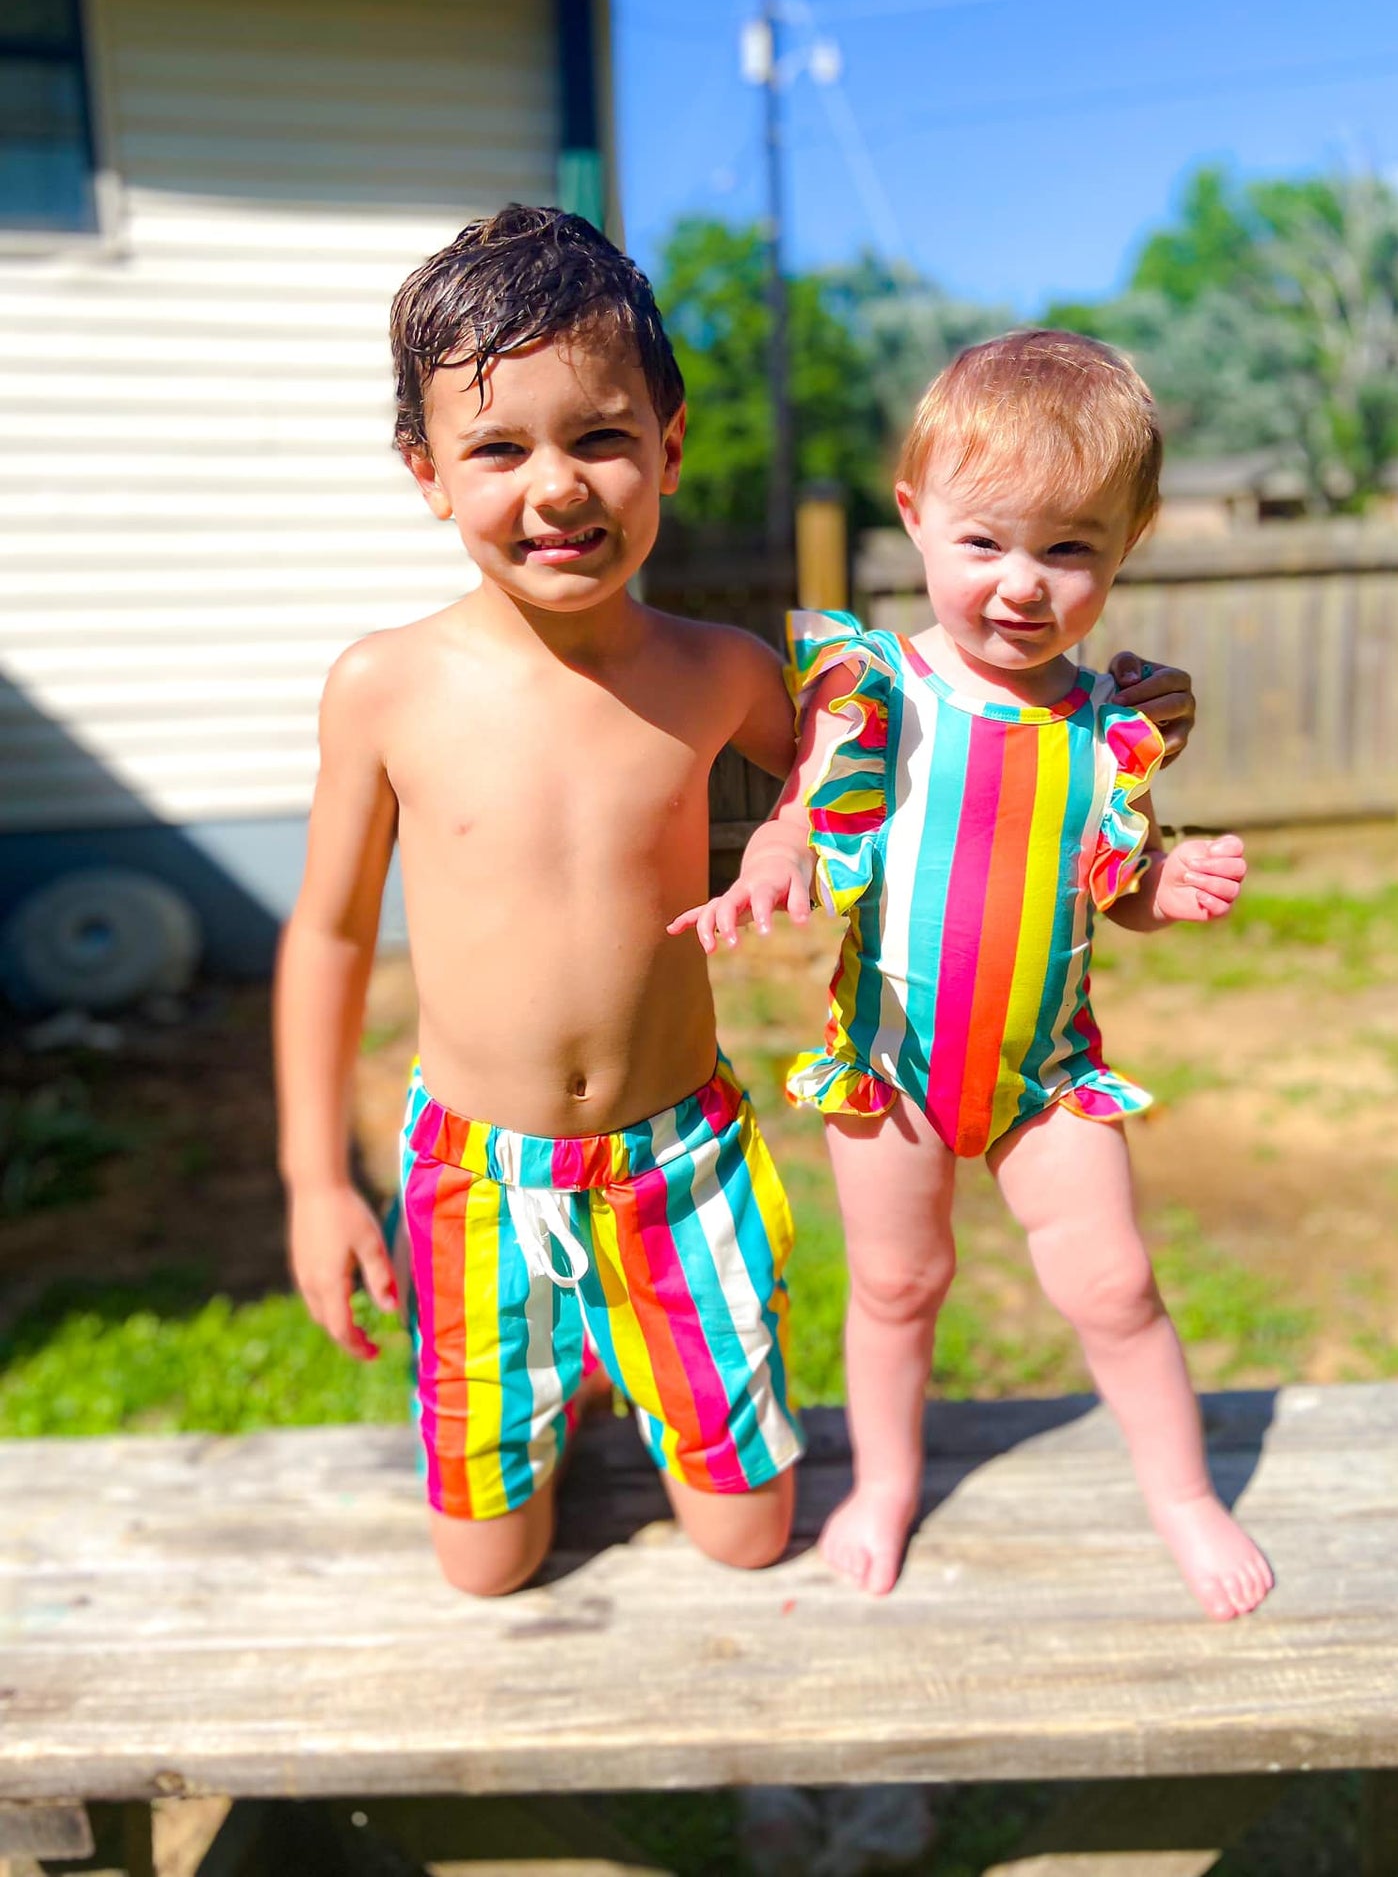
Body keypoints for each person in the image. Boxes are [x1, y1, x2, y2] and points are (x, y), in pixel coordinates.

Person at [275, 211, 1198, 1598]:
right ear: (425, 473)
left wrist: (1089, 700)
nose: (556, 488)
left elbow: (924, 762)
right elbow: (332, 932)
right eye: (496, 448)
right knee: (484, 1571)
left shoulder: (722, 675)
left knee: (746, 1539)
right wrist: (308, 1180)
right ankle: (571, 1368)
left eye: (597, 438)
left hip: (676, 1163)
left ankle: (634, 1360)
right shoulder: (383, 686)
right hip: (474, 1171)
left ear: (669, 446)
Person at [671, 331, 1272, 1622]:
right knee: (897, 1282)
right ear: (914, 519)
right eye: (984, 542)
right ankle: (884, 1483)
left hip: (1046, 1074)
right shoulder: (879, 691)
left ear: (1125, 545)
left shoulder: (1114, 723)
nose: (1020, 584)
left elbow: (1121, 882)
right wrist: (772, 864)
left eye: (1068, 550)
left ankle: (1180, 1494)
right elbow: (794, 816)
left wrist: (1173, 887)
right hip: (890, 1065)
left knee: (1112, 1284)